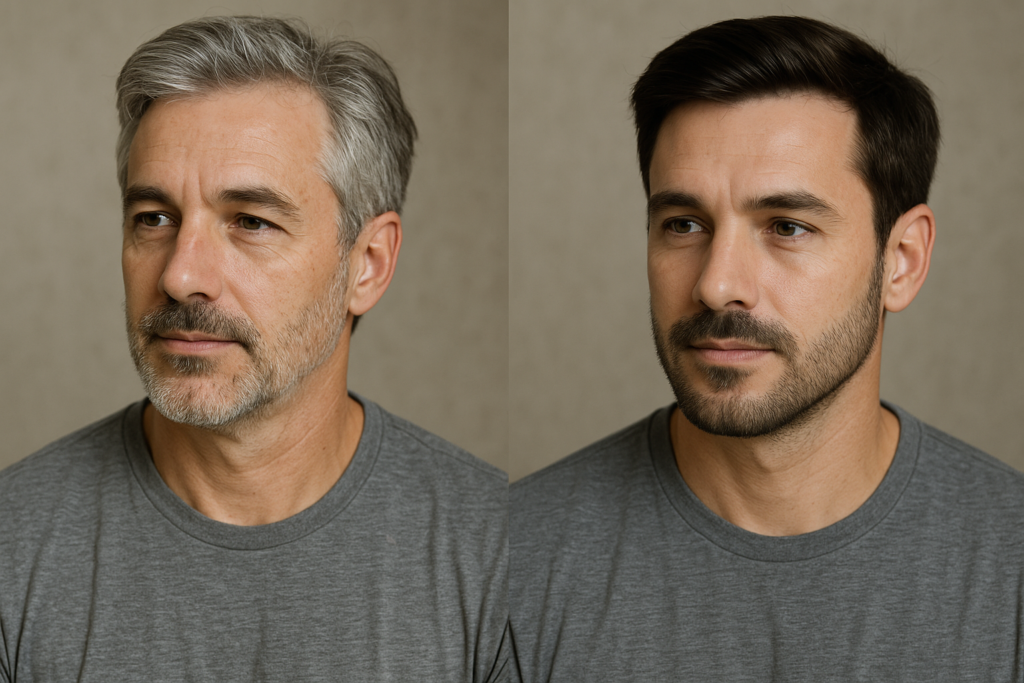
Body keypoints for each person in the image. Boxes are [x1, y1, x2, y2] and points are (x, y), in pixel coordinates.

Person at [510, 15, 1024, 681]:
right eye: (683, 223)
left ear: (901, 260)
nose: (717, 283)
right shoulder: (514, 561)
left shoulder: (1009, 564)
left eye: (787, 226)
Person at [0, 16, 507, 681]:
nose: (182, 274)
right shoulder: (12, 548)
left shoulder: (499, 550)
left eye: (251, 222)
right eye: (153, 218)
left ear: (369, 263)